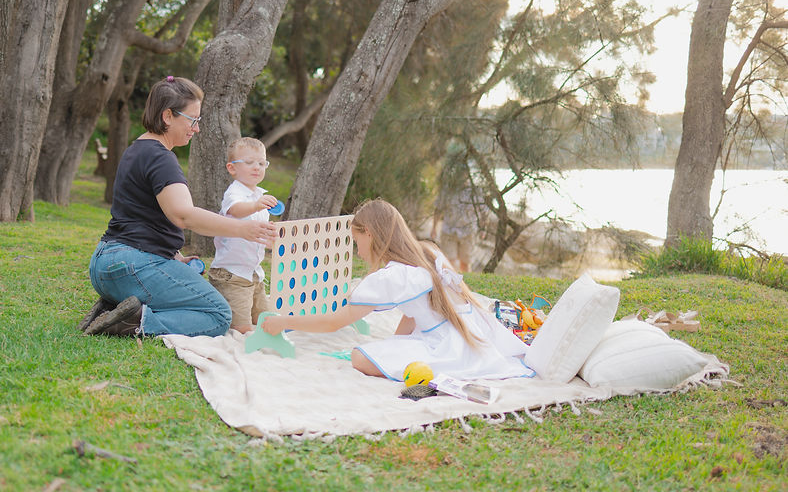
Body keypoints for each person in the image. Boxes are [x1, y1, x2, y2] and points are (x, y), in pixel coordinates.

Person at [81, 76, 277, 338]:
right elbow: (183, 215)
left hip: (105, 265)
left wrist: (175, 258)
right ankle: (131, 321)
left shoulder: (136, 149)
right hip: (130, 266)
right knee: (218, 314)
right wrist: (244, 230)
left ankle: (116, 307)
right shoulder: (161, 158)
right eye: (192, 120)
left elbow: (141, 218)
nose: (196, 128)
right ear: (167, 116)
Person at [262, 199, 534, 382]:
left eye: (358, 242)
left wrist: (284, 321)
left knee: (360, 357)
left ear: (369, 233)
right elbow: (413, 312)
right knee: (382, 350)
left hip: (448, 346)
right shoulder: (427, 252)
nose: (358, 251)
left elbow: (335, 322)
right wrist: (394, 343)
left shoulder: (391, 277)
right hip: (472, 332)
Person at [207, 137, 278, 333]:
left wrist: (270, 238)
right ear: (232, 168)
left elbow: (258, 234)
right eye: (249, 163)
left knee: (266, 320)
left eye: (262, 163)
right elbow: (236, 210)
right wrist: (256, 205)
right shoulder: (235, 193)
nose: (257, 167)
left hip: (254, 275)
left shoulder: (259, 196)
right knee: (242, 328)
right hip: (231, 274)